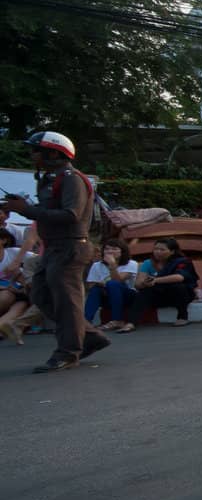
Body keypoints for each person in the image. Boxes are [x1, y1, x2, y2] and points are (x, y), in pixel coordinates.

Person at [3, 131, 109, 373]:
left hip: (70, 247)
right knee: (40, 294)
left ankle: (68, 352)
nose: (32, 155)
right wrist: (21, 206)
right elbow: (47, 210)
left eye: (36, 150)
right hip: (54, 248)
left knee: (66, 302)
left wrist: (28, 210)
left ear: (53, 153)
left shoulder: (71, 179)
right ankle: (89, 336)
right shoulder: (49, 179)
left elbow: (70, 215)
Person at [129, 237, 200, 327]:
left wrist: (155, 280)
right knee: (144, 291)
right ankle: (131, 323)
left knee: (178, 286)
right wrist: (144, 283)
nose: (157, 252)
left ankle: (182, 317)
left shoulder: (182, 262)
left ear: (172, 251)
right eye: (156, 249)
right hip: (160, 296)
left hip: (179, 296)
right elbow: (137, 284)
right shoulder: (148, 263)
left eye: (162, 249)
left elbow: (179, 277)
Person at [86, 240, 138, 331]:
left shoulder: (131, 263)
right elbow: (91, 285)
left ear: (122, 252)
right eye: (107, 249)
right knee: (95, 289)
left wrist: (112, 265)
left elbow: (118, 280)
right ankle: (86, 322)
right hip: (107, 296)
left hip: (127, 297)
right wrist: (103, 284)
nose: (109, 252)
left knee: (113, 284)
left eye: (114, 249)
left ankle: (117, 320)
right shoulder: (96, 265)